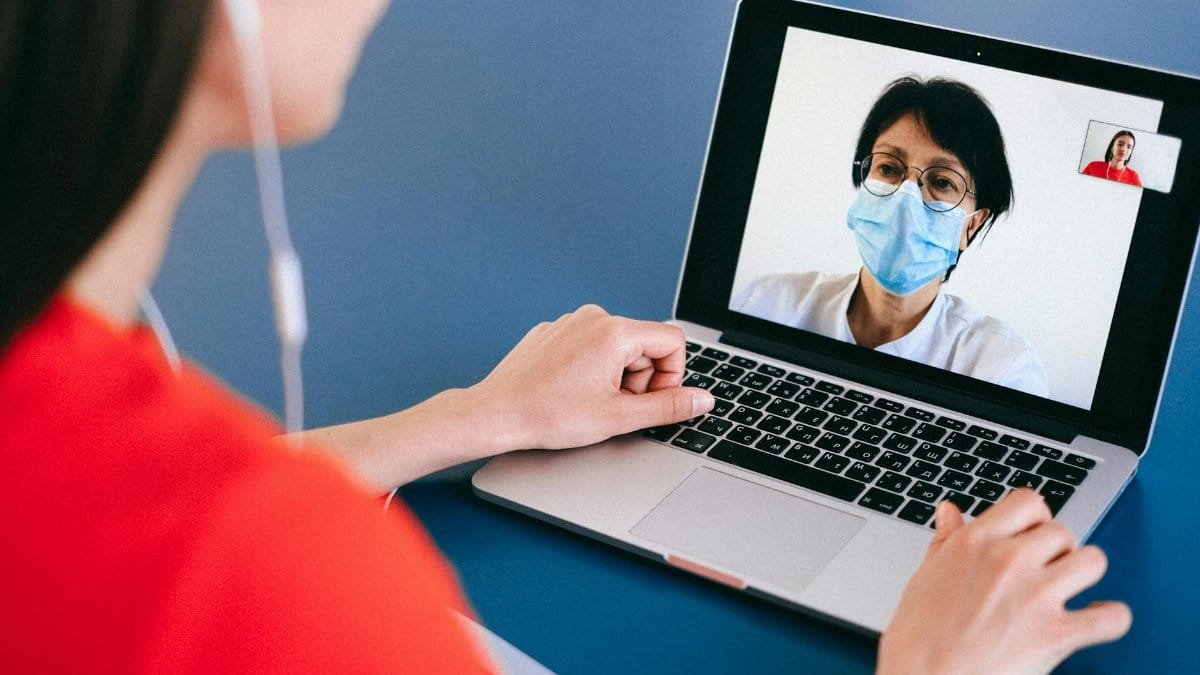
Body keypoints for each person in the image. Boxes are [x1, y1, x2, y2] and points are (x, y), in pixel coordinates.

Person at [0, 2, 1130, 673]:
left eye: (943, 187)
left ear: (978, 220)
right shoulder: (302, 591)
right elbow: (223, 574)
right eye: (891, 171)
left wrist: (478, 418)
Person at [734, 77, 1049, 397]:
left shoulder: (1002, 369)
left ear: (972, 225)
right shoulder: (766, 304)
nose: (906, 198)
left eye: (942, 181)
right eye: (888, 168)